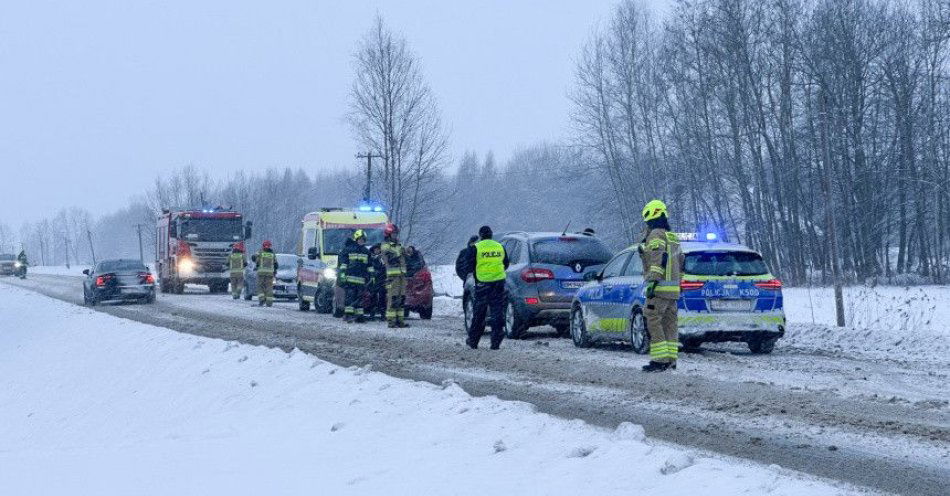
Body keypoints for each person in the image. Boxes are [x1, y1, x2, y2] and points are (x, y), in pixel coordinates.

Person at [638, 200, 684, 372]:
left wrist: (652, 282)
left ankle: (659, 360)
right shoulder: (672, 236)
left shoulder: (656, 234)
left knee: (653, 320)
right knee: (670, 324)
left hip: (660, 288)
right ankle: (671, 360)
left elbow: (657, 260)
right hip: (673, 291)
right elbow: (681, 262)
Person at [465, 225, 509, 350]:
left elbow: (469, 265)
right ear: (491, 235)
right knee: (497, 313)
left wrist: (469, 248)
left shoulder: (476, 247)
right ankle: (495, 342)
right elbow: (506, 263)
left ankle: (473, 341)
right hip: (498, 284)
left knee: (479, 314)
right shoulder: (499, 246)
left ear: (480, 235)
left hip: (482, 284)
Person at [380, 224, 409, 328]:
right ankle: (391, 321)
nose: (395, 235)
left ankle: (400, 320)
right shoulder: (385, 245)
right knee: (393, 298)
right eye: (393, 233)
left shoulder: (398, 245)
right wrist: (400, 253)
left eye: (396, 233)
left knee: (401, 298)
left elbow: (405, 256)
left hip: (401, 275)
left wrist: (409, 251)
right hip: (393, 276)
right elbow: (389, 257)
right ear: (388, 234)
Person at [339, 230, 370, 322]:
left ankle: (359, 316)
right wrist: (342, 274)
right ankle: (348, 315)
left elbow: (369, 265)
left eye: (363, 240)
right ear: (356, 239)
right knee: (350, 297)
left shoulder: (366, 251)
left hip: (361, 279)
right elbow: (343, 263)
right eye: (360, 239)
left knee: (360, 298)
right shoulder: (348, 250)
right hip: (350, 278)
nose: (361, 241)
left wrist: (371, 275)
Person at [254, 240, 278, 307]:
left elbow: (256, 261)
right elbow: (276, 264)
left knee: (260, 286)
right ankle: (269, 303)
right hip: (270, 273)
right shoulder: (272, 254)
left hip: (261, 273)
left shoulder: (260, 252)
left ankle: (262, 299)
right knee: (269, 287)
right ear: (270, 246)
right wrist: (275, 271)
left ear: (263, 246)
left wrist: (257, 266)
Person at [366, 244, 386, 321]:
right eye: (376, 249)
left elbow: (385, 268)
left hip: (381, 280)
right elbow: (368, 268)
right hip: (372, 281)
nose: (377, 251)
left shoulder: (382, 258)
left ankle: (383, 315)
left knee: (382, 298)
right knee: (373, 298)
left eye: (378, 249)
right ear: (373, 250)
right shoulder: (370, 258)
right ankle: (372, 315)